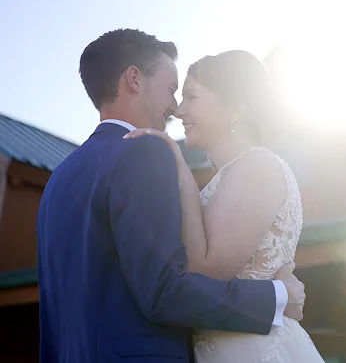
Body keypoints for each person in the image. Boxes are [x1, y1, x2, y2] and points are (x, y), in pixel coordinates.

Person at [36, 29, 306, 363]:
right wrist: (278, 296)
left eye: (188, 96)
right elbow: (165, 291)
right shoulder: (144, 152)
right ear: (134, 79)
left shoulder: (58, 180)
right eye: (171, 90)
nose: (175, 108)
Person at [124, 49, 324, 362]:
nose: (178, 110)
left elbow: (206, 274)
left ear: (235, 107)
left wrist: (181, 173)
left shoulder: (257, 165)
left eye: (191, 97)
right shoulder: (235, 174)